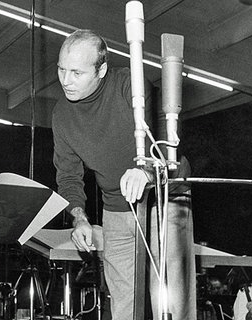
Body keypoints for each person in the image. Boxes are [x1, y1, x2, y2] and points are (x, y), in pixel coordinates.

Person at [52, 29, 194, 319]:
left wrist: (146, 169)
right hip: (116, 209)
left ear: (101, 69)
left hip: (164, 200)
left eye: (76, 73)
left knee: (170, 301)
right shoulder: (61, 115)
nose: (66, 81)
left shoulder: (132, 85)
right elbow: (68, 176)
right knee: (123, 304)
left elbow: (167, 144)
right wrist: (79, 218)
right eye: (61, 70)